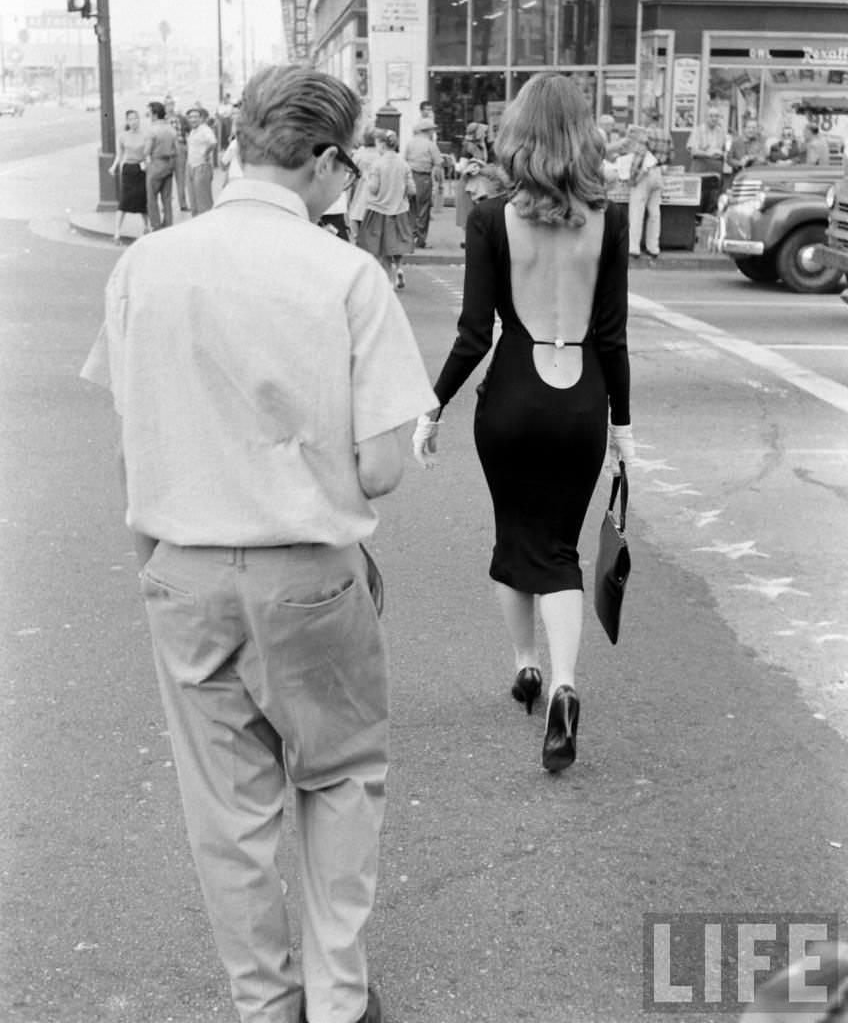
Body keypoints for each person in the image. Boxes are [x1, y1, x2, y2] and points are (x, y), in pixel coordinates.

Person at [81, 63, 437, 1023]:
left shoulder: (144, 267)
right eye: (345, 163)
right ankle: (337, 996)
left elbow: (132, 430)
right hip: (309, 572)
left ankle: (264, 1003)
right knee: (338, 779)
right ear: (321, 160)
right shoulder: (346, 275)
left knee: (228, 817)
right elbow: (380, 469)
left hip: (182, 568)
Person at [412, 73, 633, 774]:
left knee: (514, 536)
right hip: (580, 399)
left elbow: (475, 332)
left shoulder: (489, 217)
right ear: (583, 134)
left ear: (518, 134)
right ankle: (566, 684)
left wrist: (434, 404)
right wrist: (623, 434)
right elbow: (614, 337)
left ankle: (527, 665)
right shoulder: (612, 218)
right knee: (560, 548)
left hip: (512, 392)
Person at [356, 129, 415, 290]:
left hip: (379, 209)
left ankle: (388, 282)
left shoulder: (378, 164)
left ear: (382, 144)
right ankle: (399, 268)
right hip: (400, 209)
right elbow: (411, 190)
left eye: (377, 144)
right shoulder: (403, 164)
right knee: (396, 243)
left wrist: (368, 178)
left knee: (382, 247)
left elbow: (374, 189)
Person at [615, 123, 663, 262]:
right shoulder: (663, 134)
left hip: (644, 176)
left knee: (637, 211)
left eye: (631, 132)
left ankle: (634, 248)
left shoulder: (643, 138)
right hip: (657, 173)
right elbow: (670, 155)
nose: (629, 135)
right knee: (655, 212)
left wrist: (632, 178)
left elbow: (638, 160)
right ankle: (653, 247)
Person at [108, 108, 149, 242]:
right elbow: (120, 154)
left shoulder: (145, 135)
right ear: (127, 121)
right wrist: (114, 166)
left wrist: (148, 164)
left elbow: (148, 153)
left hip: (141, 169)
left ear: (139, 119)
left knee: (143, 200)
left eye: (136, 118)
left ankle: (146, 227)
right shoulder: (123, 136)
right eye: (130, 119)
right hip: (128, 170)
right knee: (124, 201)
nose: (134, 121)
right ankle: (117, 232)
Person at [404, 116, 442, 247]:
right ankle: (420, 239)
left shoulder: (410, 143)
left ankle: (410, 237)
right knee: (423, 209)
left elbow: (404, 160)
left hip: (409, 176)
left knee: (410, 208)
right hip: (424, 178)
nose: (433, 133)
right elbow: (438, 165)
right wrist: (439, 183)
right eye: (432, 130)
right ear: (427, 131)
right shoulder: (431, 145)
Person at [143, 101, 178, 230]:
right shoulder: (171, 129)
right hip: (169, 164)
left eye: (150, 113)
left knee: (151, 197)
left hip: (156, 163)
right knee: (167, 198)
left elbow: (146, 151)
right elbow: (176, 148)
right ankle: (168, 224)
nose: (149, 116)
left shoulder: (152, 130)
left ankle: (156, 225)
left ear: (155, 114)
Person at [185, 105, 219, 216]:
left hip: (201, 167)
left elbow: (213, 142)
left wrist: (206, 153)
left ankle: (207, 226)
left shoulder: (205, 129)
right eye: (190, 117)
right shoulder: (193, 131)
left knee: (203, 201)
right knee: (193, 200)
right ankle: (195, 225)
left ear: (201, 118)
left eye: (195, 117)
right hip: (191, 167)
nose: (193, 119)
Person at [349, 128, 380, 243]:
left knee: (355, 212)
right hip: (377, 187)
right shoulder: (380, 153)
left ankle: (357, 237)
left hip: (361, 186)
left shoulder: (360, 153)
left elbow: (351, 167)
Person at [686, 104, 727, 181]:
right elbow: (693, 151)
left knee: (716, 193)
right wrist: (708, 154)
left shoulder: (722, 132)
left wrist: (724, 153)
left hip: (716, 172)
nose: (714, 118)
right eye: (711, 116)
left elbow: (725, 151)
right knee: (699, 192)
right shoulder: (698, 130)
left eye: (716, 116)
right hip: (700, 170)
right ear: (706, 117)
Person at [164, 94, 190, 212]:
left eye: (171, 104)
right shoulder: (162, 119)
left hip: (180, 148)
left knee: (180, 178)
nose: (169, 106)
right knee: (166, 179)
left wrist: (187, 148)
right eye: (167, 104)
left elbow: (189, 131)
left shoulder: (181, 117)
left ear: (174, 105)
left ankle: (182, 204)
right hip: (166, 150)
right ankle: (166, 204)